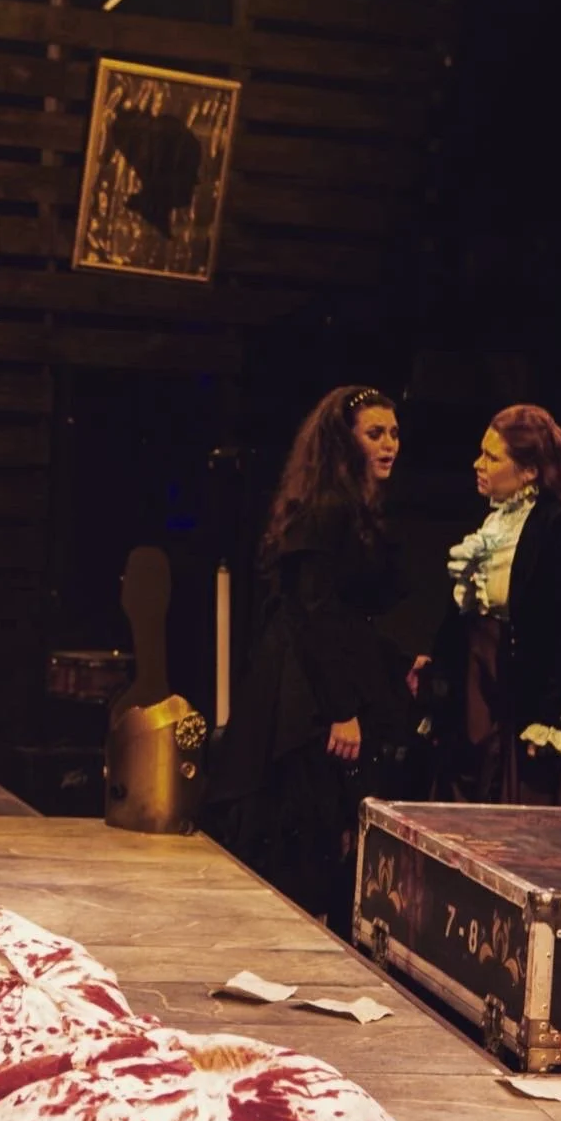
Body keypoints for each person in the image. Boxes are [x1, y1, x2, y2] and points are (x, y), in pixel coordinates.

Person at [205, 386, 419, 935]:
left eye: (394, 433)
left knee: (333, 823)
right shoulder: (325, 510)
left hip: (327, 672)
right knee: (304, 819)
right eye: (375, 434)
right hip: (304, 688)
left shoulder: (357, 509)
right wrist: (341, 710)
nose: (390, 445)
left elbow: (352, 613)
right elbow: (314, 616)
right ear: (344, 442)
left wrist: (395, 662)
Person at [426, 404, 561, 808]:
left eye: (492, 457)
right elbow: (465, 616)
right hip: (484, 690)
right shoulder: (493, 525)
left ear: (529, 471)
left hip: (529, 691)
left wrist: (557, 716)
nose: (478, 464)